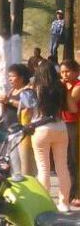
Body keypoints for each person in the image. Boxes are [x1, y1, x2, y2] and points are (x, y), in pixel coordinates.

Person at [29, 61, 77, 212]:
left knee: (43, 168)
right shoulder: (61, 87)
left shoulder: (35, 87)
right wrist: (66, 91)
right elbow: (73, 108)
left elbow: (28, 108)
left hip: (40, 128)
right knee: (62, 168)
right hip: (60, 127)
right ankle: (64, 204)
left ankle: (44, 204)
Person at [0, 63, 35, 175]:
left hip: (21, 131)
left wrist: (9, 101)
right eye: (9, 76)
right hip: (11, 130)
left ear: (22, 78)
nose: (10, 79)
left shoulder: (27, 91)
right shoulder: (12, 90)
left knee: (19, 161)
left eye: (12, 76)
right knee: (11, 160)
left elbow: (27, 106)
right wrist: (2, 100)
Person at [60, 59, 80, 207]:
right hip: (62, 124)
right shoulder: (63, 85)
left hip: (75, 124)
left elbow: (71, 102)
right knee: (66, 161)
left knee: (74, 160)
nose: (64, 75)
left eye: (67, 71)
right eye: (62, 72)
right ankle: (69, 192)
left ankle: (76, 193)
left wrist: (64, 88)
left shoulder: (77, 86)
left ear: (76, 72)